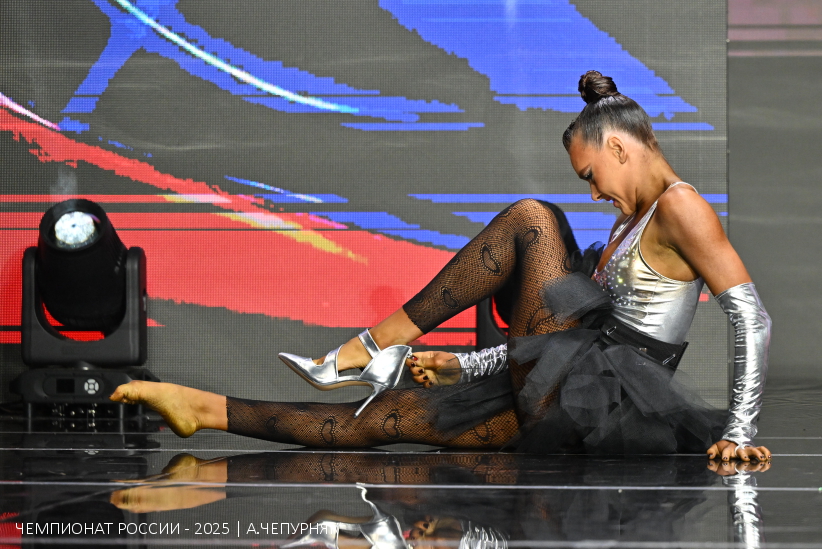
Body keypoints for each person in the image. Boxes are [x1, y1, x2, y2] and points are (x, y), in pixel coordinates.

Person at [112, 71, 772, 463]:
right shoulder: (631, 217)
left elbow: (752, 317)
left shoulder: (680, 207)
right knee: (387, 417)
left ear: (620, 148)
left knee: (534, 219)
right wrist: (467, 365)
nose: (593, 191)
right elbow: (565, 343)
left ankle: (371, 345)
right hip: (580, 401)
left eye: (591, 174)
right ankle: (203, 408)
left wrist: (740, 430)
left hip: (612, 404)